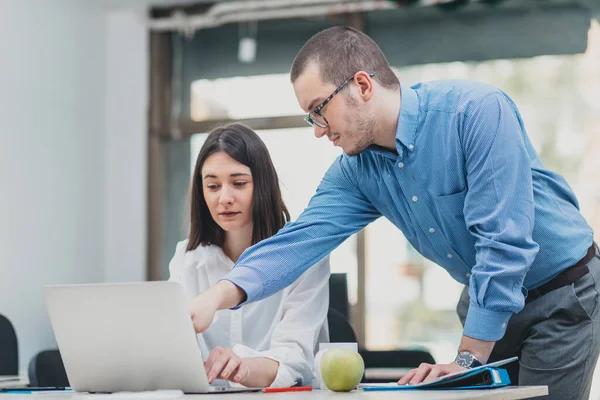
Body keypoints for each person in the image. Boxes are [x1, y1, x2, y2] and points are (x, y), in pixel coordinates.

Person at [188, 27, 599, 399]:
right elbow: (300, 241)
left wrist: (468, 359)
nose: (317, 129)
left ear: (362, 85)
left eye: (319, 110)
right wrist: (217, 296)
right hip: (487, 301)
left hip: (562, 294)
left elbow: (503, 242)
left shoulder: (474, 113)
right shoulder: (356, 171)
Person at [170, 123, 329, 389]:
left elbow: (295, 361)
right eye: (212, 186)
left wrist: (243, 368)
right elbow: (174, 349)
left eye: (239, 183)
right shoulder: (187, 259)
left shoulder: (305, 258)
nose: (225, 198)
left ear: (263, 185)